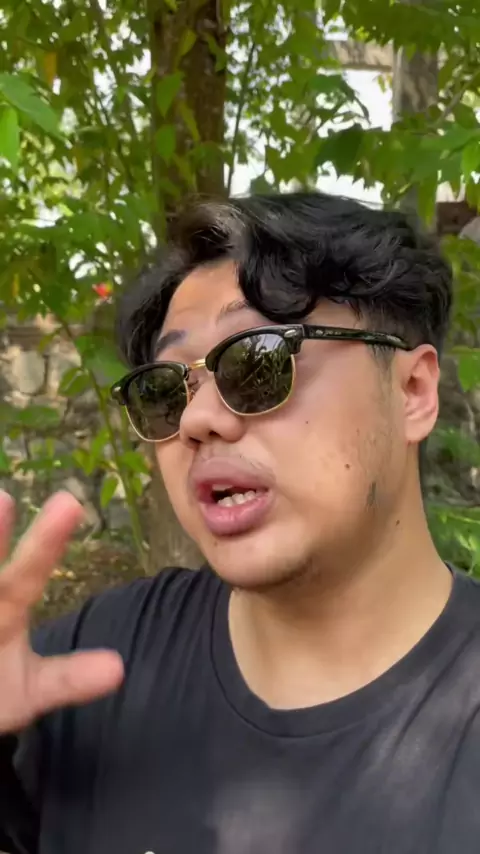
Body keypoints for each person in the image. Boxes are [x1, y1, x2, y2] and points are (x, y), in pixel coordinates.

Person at [0, 191, 478, 854]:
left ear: (413, 393)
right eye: (166, 390)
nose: (197, 420)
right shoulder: (89, 664)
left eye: (258, 361)